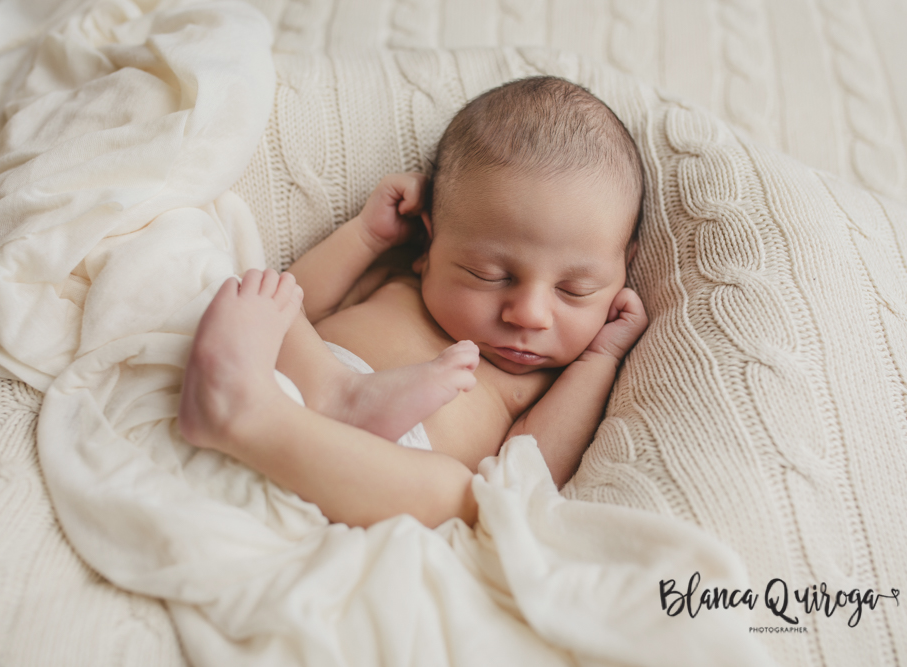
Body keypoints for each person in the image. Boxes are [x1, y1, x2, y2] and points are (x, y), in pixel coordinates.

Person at [177, 76, 648, 530]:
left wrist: (599, 358)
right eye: (490, 275)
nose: (529, 314)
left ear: (620, 273)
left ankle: (249, 417)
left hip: (379, 468)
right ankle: (329, 397)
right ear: (429, 245)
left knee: (463, 494)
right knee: (273, 296)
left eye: (574, 291)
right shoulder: (399, 282)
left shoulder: (544, 380)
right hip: (301, 379)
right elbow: (298, 302)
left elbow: (531, 470)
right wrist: (364, 237)